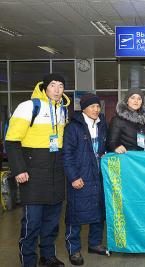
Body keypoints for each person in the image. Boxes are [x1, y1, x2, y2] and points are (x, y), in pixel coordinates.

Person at [5, 73, 70, 267]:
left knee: (51, 223)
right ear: (44, 87)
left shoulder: (63, 110)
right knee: (32, 223)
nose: (57, 89)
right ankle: (28, 261)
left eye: (61, 85)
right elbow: (12, 141)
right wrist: (19, 169)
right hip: (33, 173)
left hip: (56, 173)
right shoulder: (28, 107)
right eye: (53, 85)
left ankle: (47, 256)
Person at [63, 93, 109, 266]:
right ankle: (73, 250)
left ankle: (94, 244)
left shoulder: (102, 124)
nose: (96, 109)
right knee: (76, 214)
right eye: (92, 106)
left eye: (98, 106)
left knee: (98, 212)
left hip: (98, 175)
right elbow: (67, 155)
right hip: (80, 176)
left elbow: (104, 146)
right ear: (84, 109)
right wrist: (74, 177)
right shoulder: (73, 127)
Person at [107, 89, 145, 153]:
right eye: (133, 98)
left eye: (139, 99)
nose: (136, 101)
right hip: (126, 158)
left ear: (141, 102)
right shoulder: (118, 119)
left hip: (142, 157)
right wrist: (116, 147)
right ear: (127, 101)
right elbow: (111, 142)